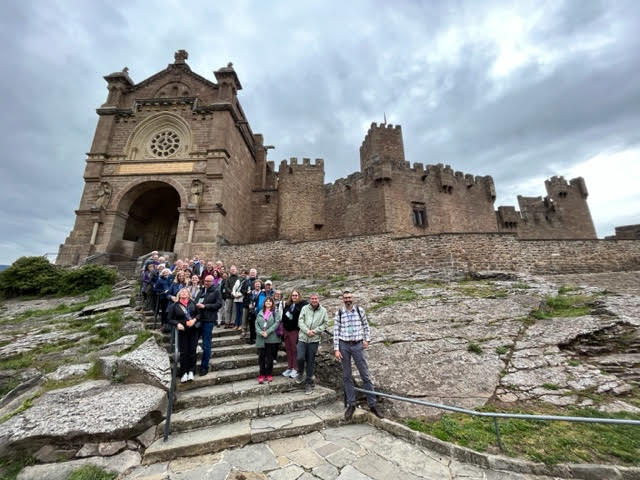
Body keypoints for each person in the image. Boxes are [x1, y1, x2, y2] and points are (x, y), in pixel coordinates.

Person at [334, 291, 383, 419]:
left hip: (357, 344)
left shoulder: (359, 310)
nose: (348, 299)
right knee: (347, 376)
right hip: (344, 345)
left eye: (349, 297)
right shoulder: (339, 312)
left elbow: (366, 326)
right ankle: (351, 404)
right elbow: (336, 331)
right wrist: (336, 349)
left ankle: (372, 404)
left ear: (352, 298)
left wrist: (367, 339)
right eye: (345, 298)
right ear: (343, 299)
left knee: (365, 374)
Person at [295, 293, 327, 394]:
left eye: (316, 299)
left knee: (310, 362)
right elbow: (300, 321)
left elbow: (325, 324)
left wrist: (315, 331)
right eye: (312, 299)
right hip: (303, 338)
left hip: (314, 340)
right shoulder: (305, 308)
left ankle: (308, 383)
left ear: (318, 299)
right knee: (300, 357)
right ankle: (300, 372)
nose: (314, 300)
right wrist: (306, 331)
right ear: (310, 299)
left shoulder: (323, 311)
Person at [168, 287, 199, 383]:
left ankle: (191, 371)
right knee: (184, 352)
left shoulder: (193, 303)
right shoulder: (174, 305)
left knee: (192, 351)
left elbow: (199, 314)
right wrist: (177, 324)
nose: (184, 293)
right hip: (182, 331)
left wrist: (194, 320)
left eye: (186, 292)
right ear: (179, 294)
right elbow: (169, 318)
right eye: (182, 292)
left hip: (193, 330)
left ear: (189, 294)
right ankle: (183, 372)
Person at [195, 275, 223, 376]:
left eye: (208, 281)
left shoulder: (216, 291)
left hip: (208, 320)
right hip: (198, 320)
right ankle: (192, 367)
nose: (206, 282)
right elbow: (196, 301)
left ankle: (204, 367)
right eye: (205, 281)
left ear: (212, 282)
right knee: (194, 343)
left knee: (206, 345)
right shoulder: (202, 291)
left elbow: (219, 304)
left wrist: (205, 306)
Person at [255, 297, 280, 383]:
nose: (268, 302)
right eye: (267, 301)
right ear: (264, 303)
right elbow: (256, 324)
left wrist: (267, 332)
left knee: (270, 357)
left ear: (272, 303)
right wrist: (260, 332)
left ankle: (269, 374)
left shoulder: (275, 312)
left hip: (271, 338)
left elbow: (277, 323)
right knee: (261, 357)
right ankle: (261, 374)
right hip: (261, 338)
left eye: (270, 301)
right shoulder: (260, 312)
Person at [281, 289, 306, 378]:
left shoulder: (301, 305)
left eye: (296, 295)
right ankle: (289, 367)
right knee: (288, 349)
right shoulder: (288, 305)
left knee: (294, 350)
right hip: (286, 330)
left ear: (299, 296)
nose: (294, 297)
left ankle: (296, 368)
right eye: (293, 295)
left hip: (294, 330)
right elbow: (284, 316)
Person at [247, 279, 265, 344]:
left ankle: (258, 339)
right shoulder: (250, 293)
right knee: (252, 326)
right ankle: (252, 339)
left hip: (259, 312)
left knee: (259, 326)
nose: (257, 285)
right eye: (256, 284)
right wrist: (248, 304)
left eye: (259, 284)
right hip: (251, 311)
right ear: (254, 285)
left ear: (261, 285)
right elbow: (247, 300)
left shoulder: (263, 292)